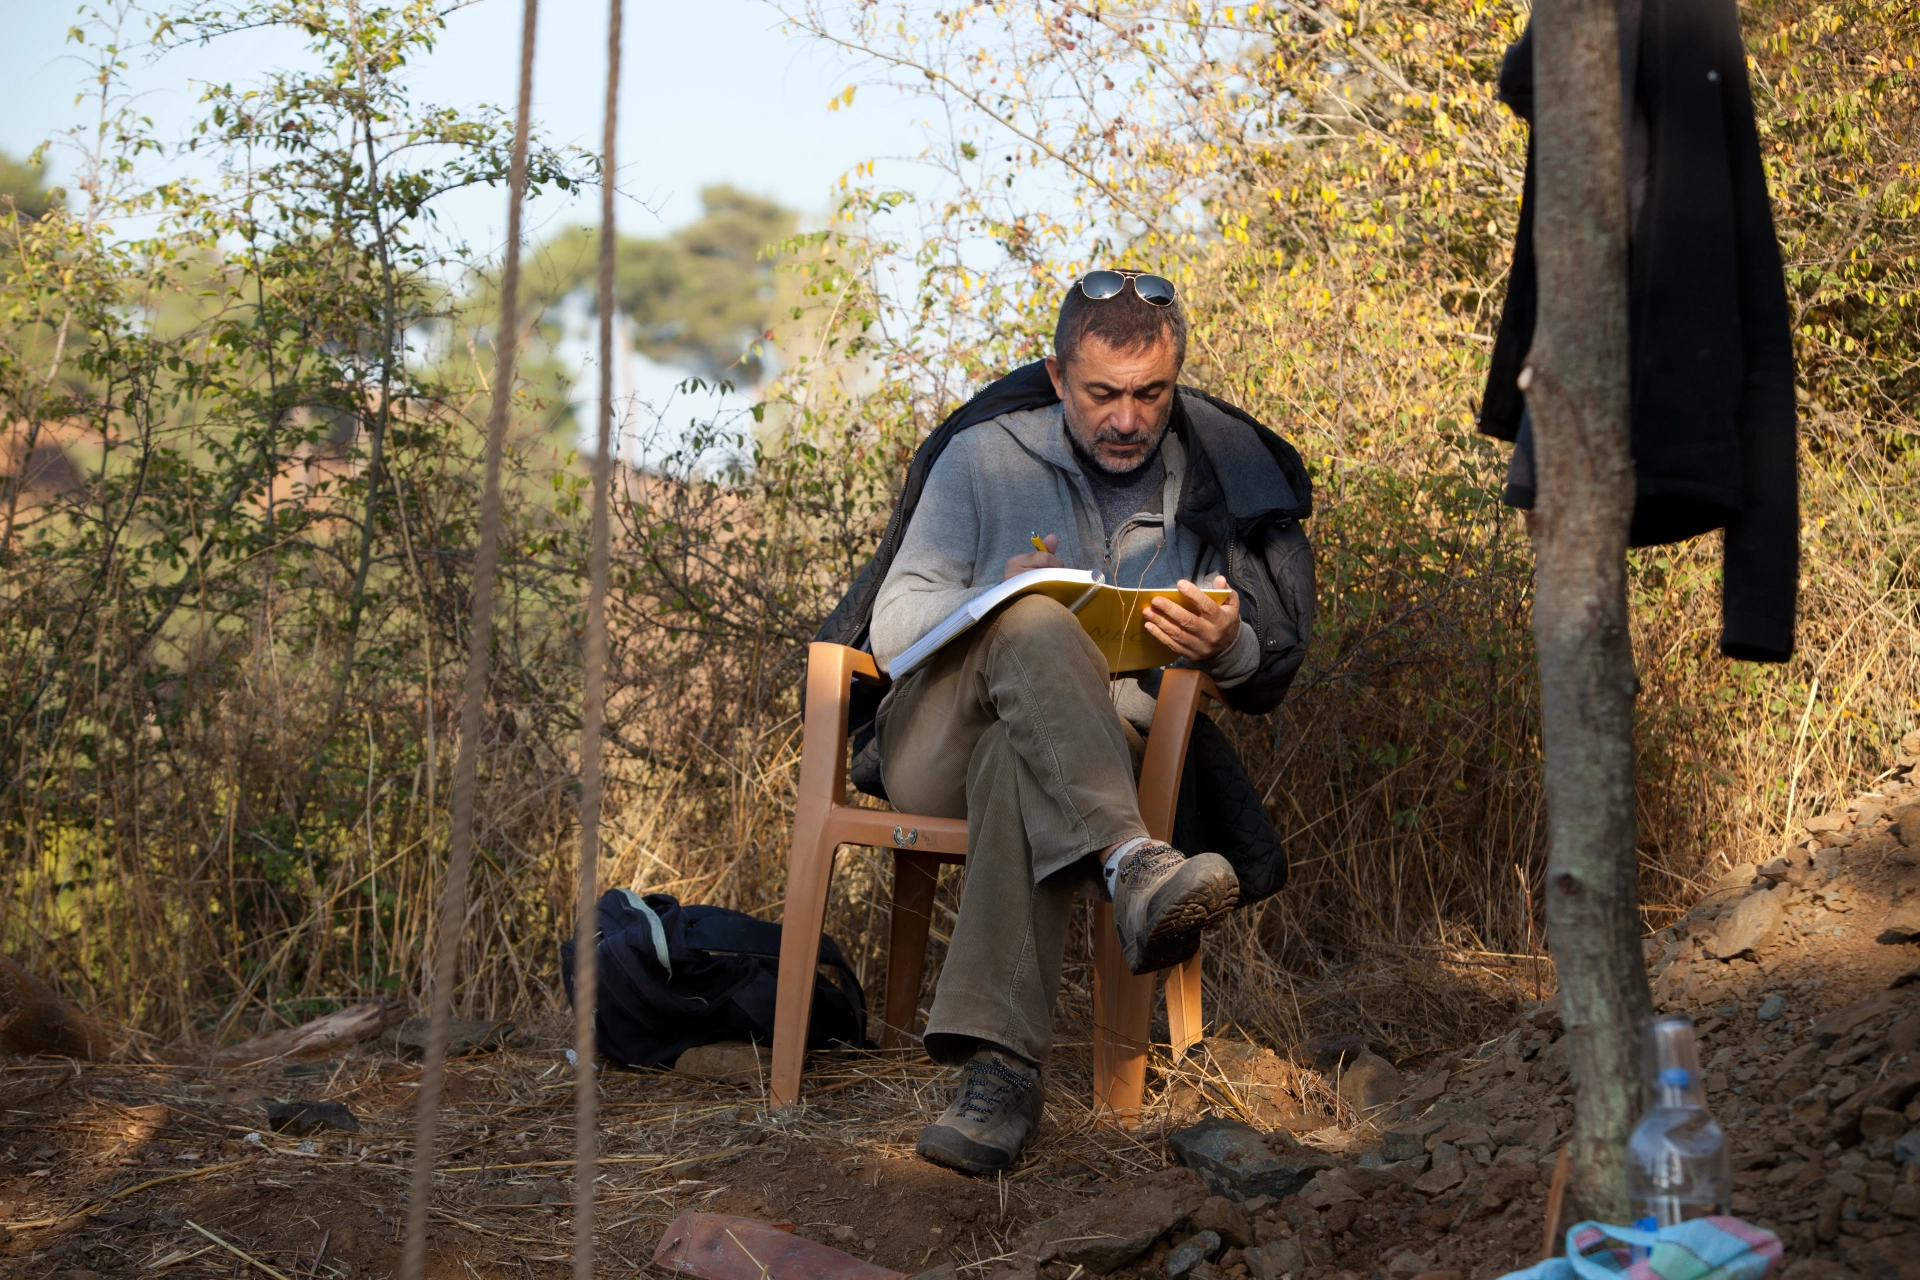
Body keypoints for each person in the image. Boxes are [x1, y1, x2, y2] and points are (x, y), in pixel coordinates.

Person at [854, 270, 1315, 1173]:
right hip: (935, 739)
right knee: (1032, 622)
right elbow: (893, 622)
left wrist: (1226, 644)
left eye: (1151, 394)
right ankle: (1135, 864)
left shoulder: (1208, 485)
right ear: (1061, 377)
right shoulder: (983, 458)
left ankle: (998, 1082)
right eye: (1102, 393)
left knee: (1018, 763)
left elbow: (1258, 668)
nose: (1127, 418)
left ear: (1174, 383)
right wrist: (994, 602)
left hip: (1096, 755)